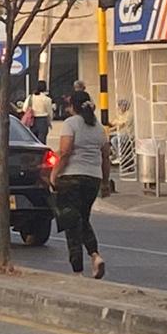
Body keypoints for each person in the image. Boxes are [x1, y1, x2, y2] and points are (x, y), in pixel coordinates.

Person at [51, 89, 110, 280]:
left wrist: (55, 173)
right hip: (93, 178)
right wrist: (105, 182)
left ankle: (77, 270)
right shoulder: (99, 128)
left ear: (72, 106)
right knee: (83, 219)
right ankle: (95, 255)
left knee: (71, 223)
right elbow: (106, 157)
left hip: (71, 178)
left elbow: (65, 151)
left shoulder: (70, 124)